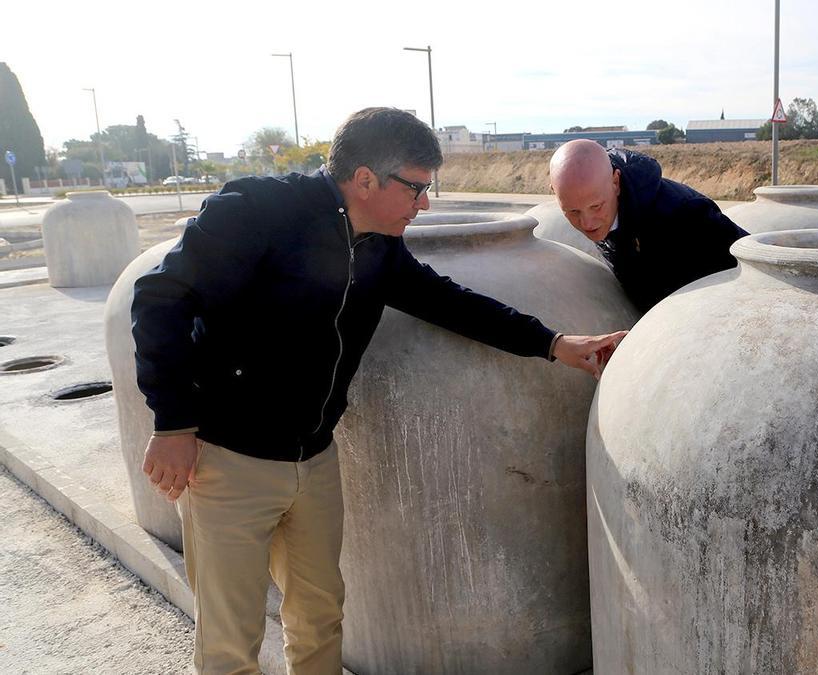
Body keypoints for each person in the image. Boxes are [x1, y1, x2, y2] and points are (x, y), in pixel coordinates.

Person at [130, 107, 623, 674]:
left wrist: (554, 343)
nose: (425, 205)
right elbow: (159, 298)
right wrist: (172, 423)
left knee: (319, 619)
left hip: (314, 461)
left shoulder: (378, 246)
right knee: (229, 642)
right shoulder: (256, 212)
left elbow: (449, 301)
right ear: (366, 179)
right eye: (416, 189)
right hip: (228, 461)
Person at [549, 139, 748, 312]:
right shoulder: (602, 197)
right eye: (573, 211)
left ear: (615, 182)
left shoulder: (685, 216)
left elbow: (749, 273)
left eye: (596, 206)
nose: (587, 222)